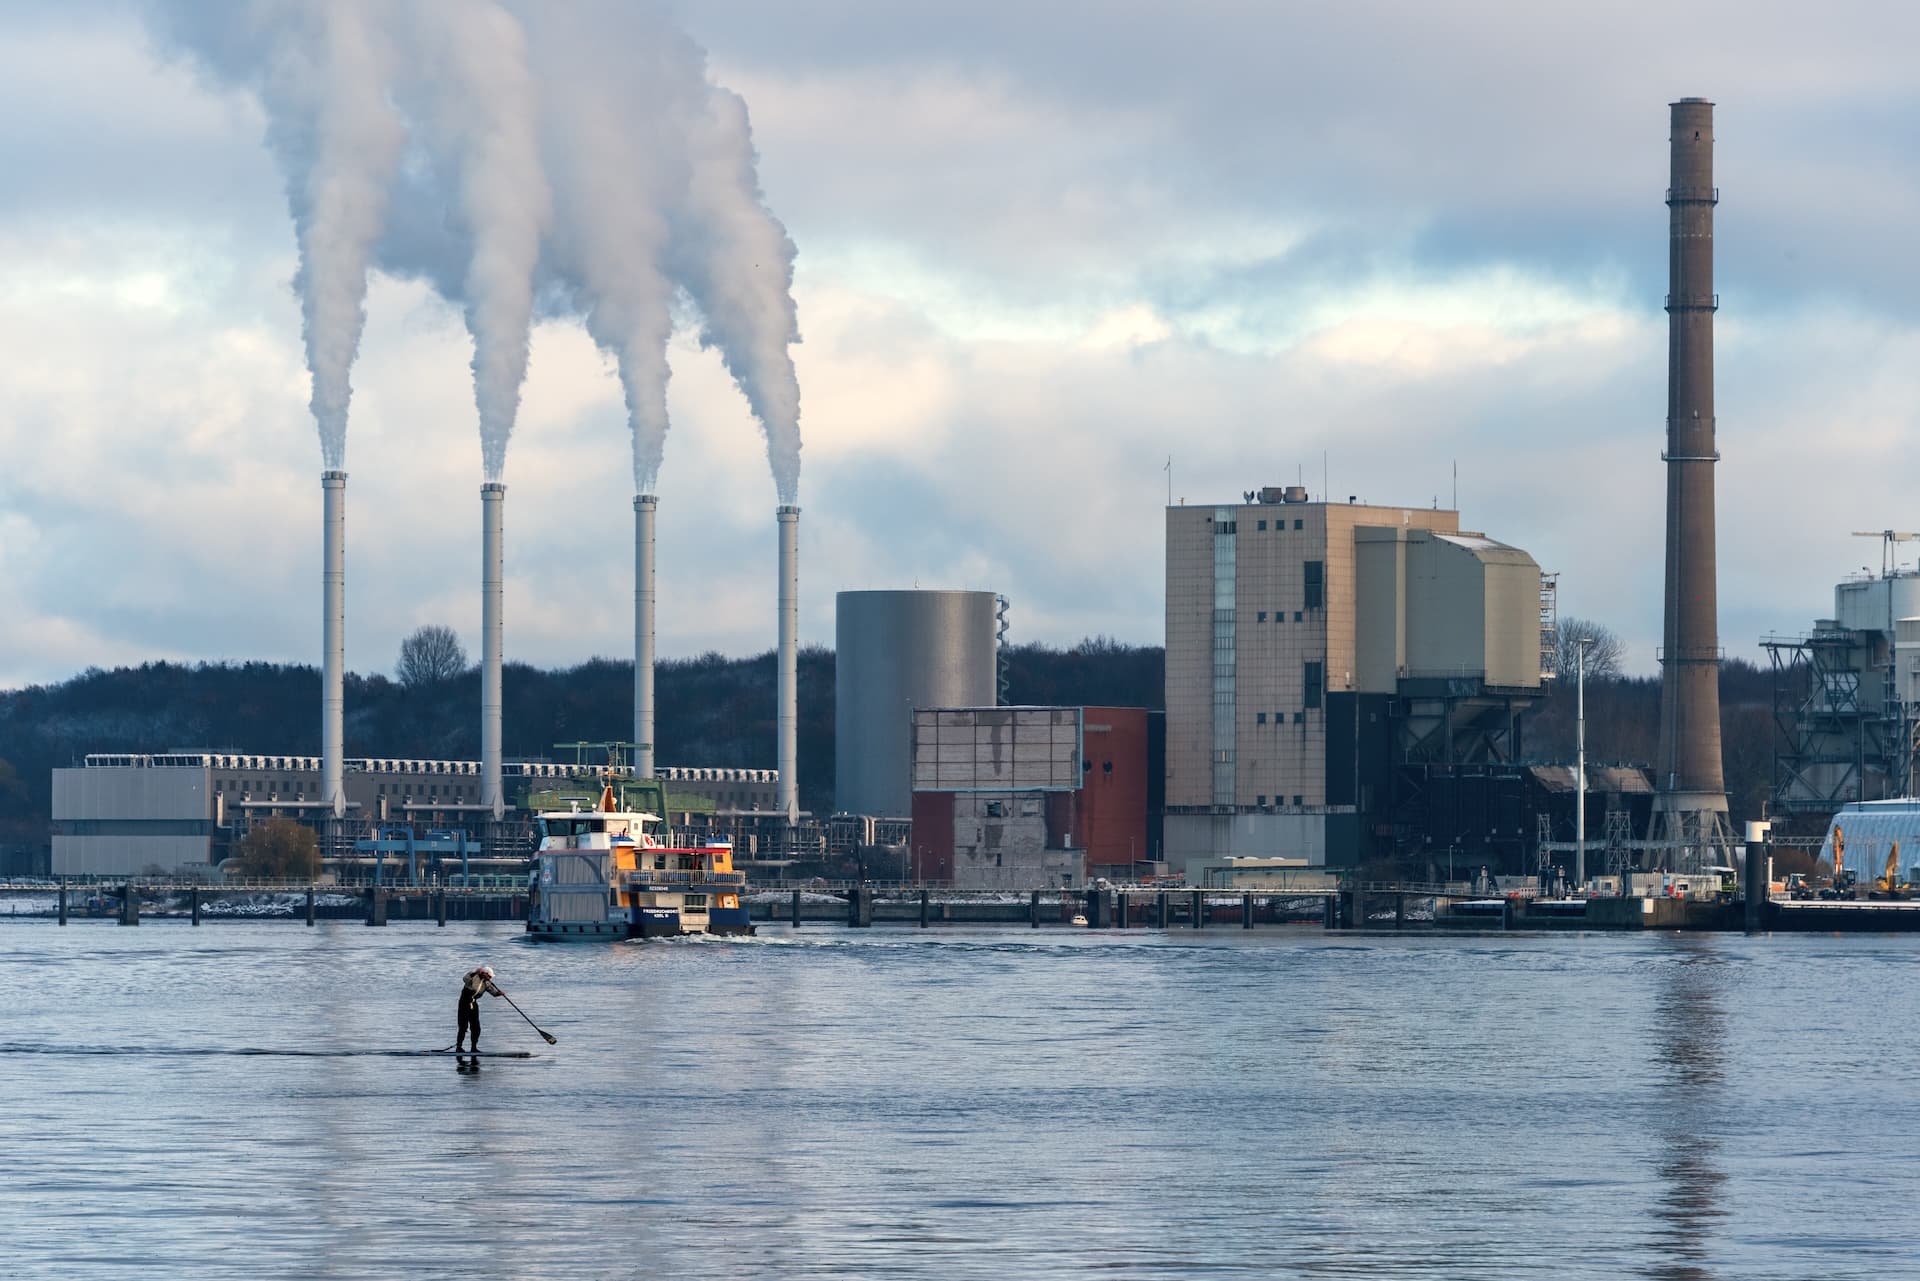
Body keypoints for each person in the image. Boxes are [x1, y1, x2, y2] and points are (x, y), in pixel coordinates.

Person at [456, 965, 504, 1053]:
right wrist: (475, 972)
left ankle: (473, 1048)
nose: (490, 978)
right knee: (463, 1026)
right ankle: (459, 1047)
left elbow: (493, 992)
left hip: (473, 1004)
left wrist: (498, 993)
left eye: (490, 977)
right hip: (464, 1003)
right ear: (484, 973)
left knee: (476, 1027)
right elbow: (465, 978)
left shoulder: (487, 983)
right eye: (489, 976)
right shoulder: (473, 976)